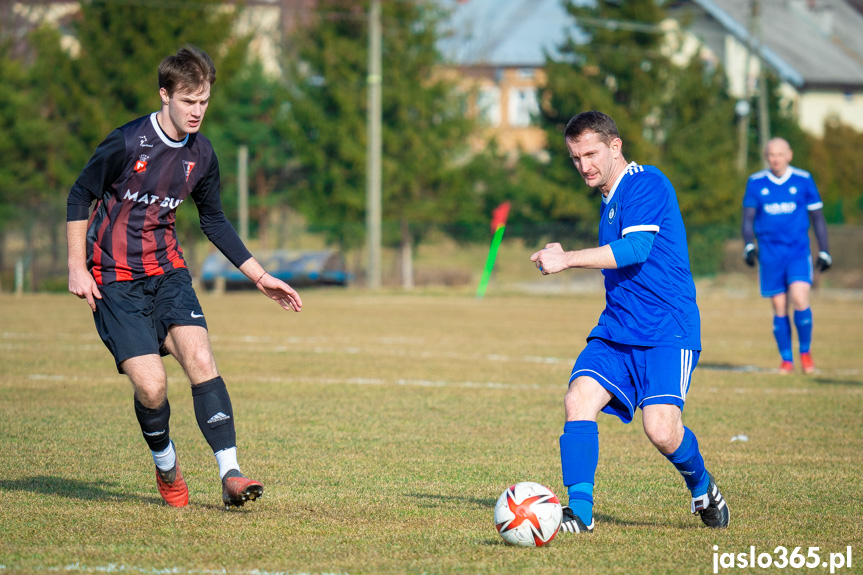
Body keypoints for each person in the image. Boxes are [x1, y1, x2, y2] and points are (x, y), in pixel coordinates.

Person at [66, 45, 303, 509]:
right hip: (115, 282)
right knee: (152, 387)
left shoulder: (203, 154)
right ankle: (167, 466)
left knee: (200, 357)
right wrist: (77, 267)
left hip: (168, 274)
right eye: (188, 101)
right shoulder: (126, 142)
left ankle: (230, 473)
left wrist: (259, 276)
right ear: (165, 95)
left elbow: (212, 220)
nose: (197, 111)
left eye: (204, 101)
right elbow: (80, 194)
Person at [530, 111, 728, 533]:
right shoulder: (608, 196)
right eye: (575, 157)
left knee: (660, 429)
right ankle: (580, 515)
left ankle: (703, 486)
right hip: (618, 328)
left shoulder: (645, 182)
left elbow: (635, 248)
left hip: (666, 329)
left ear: (615, 146)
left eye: (591, 153)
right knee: (577, 400)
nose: (584, 165)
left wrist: (566, 259)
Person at [742, 137, 831, 375]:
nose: (775, 158)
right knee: (779, 305)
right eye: (771, 154)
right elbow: (748, 218)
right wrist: (749, 245)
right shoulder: (756, 182)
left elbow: (818, 217)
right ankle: (786, 360)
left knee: (800, 298)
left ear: (789, 155)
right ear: (766, 156)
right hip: (770, 254)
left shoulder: (803, 179)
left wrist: (824, 249)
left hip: (797, 251)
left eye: (780, 154)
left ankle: (805, 353)